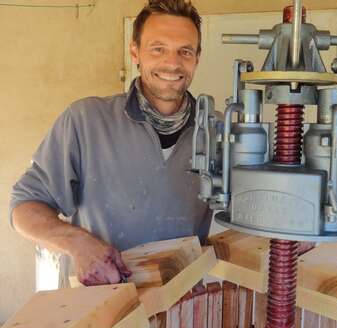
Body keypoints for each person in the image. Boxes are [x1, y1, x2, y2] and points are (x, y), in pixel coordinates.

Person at [9, 0, 211, 287]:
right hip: (100, 311)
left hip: (185, 313)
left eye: (185, 51)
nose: (172, 63)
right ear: (135, 51)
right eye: (158, 48)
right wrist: (77, 243)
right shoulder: (86, 121)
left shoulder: (218, 131)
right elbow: (23, 208)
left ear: (197, 58)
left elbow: (255, 208)